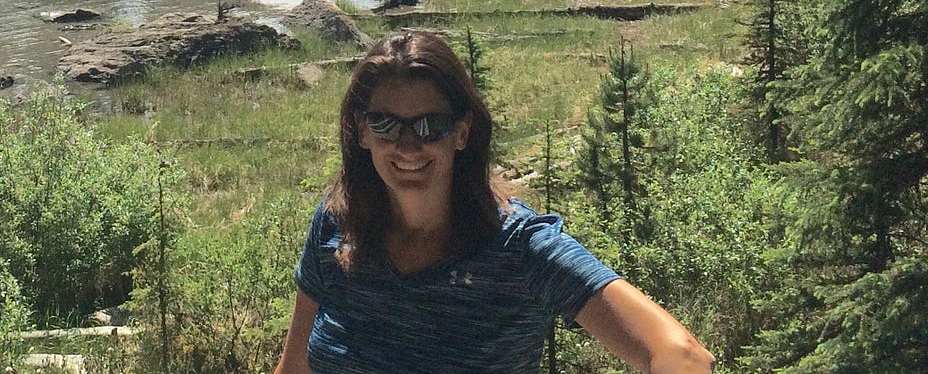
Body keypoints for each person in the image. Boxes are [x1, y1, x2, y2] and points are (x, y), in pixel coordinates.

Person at [274, 30, 715, 374]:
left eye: (431, 126)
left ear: (463, 132)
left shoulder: (523, 251)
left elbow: (684, 356)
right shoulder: (337, 225)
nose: (408, 146)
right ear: (361, 131)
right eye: (386, 124)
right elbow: (294, 369)